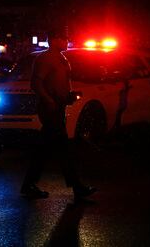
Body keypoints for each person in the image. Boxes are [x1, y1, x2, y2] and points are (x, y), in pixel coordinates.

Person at [21, 28, 97, 200]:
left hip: (57, 107)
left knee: (52, 148)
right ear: (54, 39)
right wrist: (49, 100)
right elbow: (36, 83)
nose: (67, 41)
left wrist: (67, 96)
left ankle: (30, 185)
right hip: (51, 109)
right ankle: (76, 187)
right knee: (59, 149)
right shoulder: (46, 58)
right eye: (64, 38)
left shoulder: (61, 58)